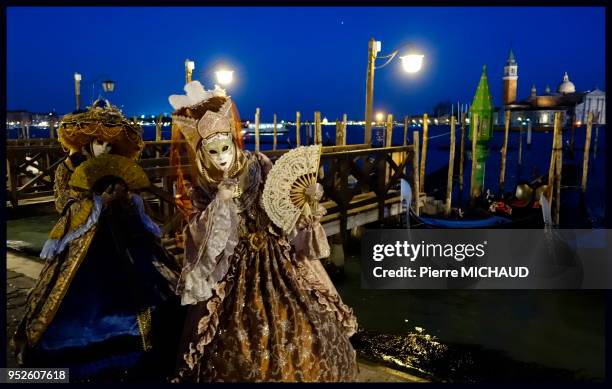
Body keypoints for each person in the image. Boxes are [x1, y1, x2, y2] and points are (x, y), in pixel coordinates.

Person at [169, 81, 358, 382]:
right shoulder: (204, 188)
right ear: (203, 153)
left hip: (276, 258)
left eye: (225, 147)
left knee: (303, 323)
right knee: (236, 335)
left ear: (233, 141)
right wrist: (220, 203)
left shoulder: (259, 164)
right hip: (233, 270)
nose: (221, 157)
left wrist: (304, 205)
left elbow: (283, 209)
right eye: (213, 151)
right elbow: (199, 239)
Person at [12, 100, 182, 383]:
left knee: (148, 289)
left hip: (124, 238)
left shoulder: (118, 167)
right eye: (99, 142)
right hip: (85, 243)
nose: (105, 148)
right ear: (89, 141)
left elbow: (134, 203)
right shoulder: (68, 168)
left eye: (108, 144)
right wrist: (100, 202)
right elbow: (63, 202)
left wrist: (125, 199)